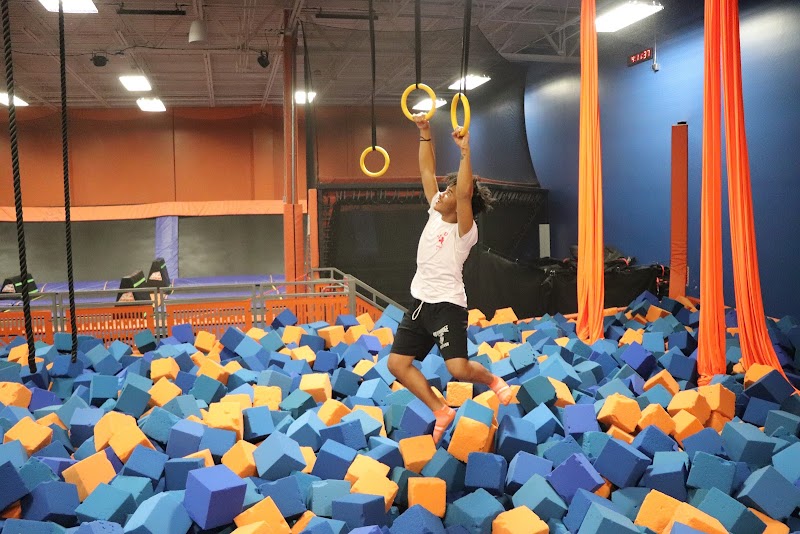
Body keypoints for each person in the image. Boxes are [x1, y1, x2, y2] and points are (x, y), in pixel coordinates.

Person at [386, 113, 512, 444]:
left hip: (447, 307)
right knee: (397, 365)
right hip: (420, 303)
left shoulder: (464, 231)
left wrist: (465, 152)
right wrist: (424, 132)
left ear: (460, 203)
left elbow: (465, 192)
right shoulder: (434, 211)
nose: (441, 193)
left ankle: (492, 380)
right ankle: (441, 410)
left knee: (458, 368)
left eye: (449, 192)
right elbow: (427, 170)